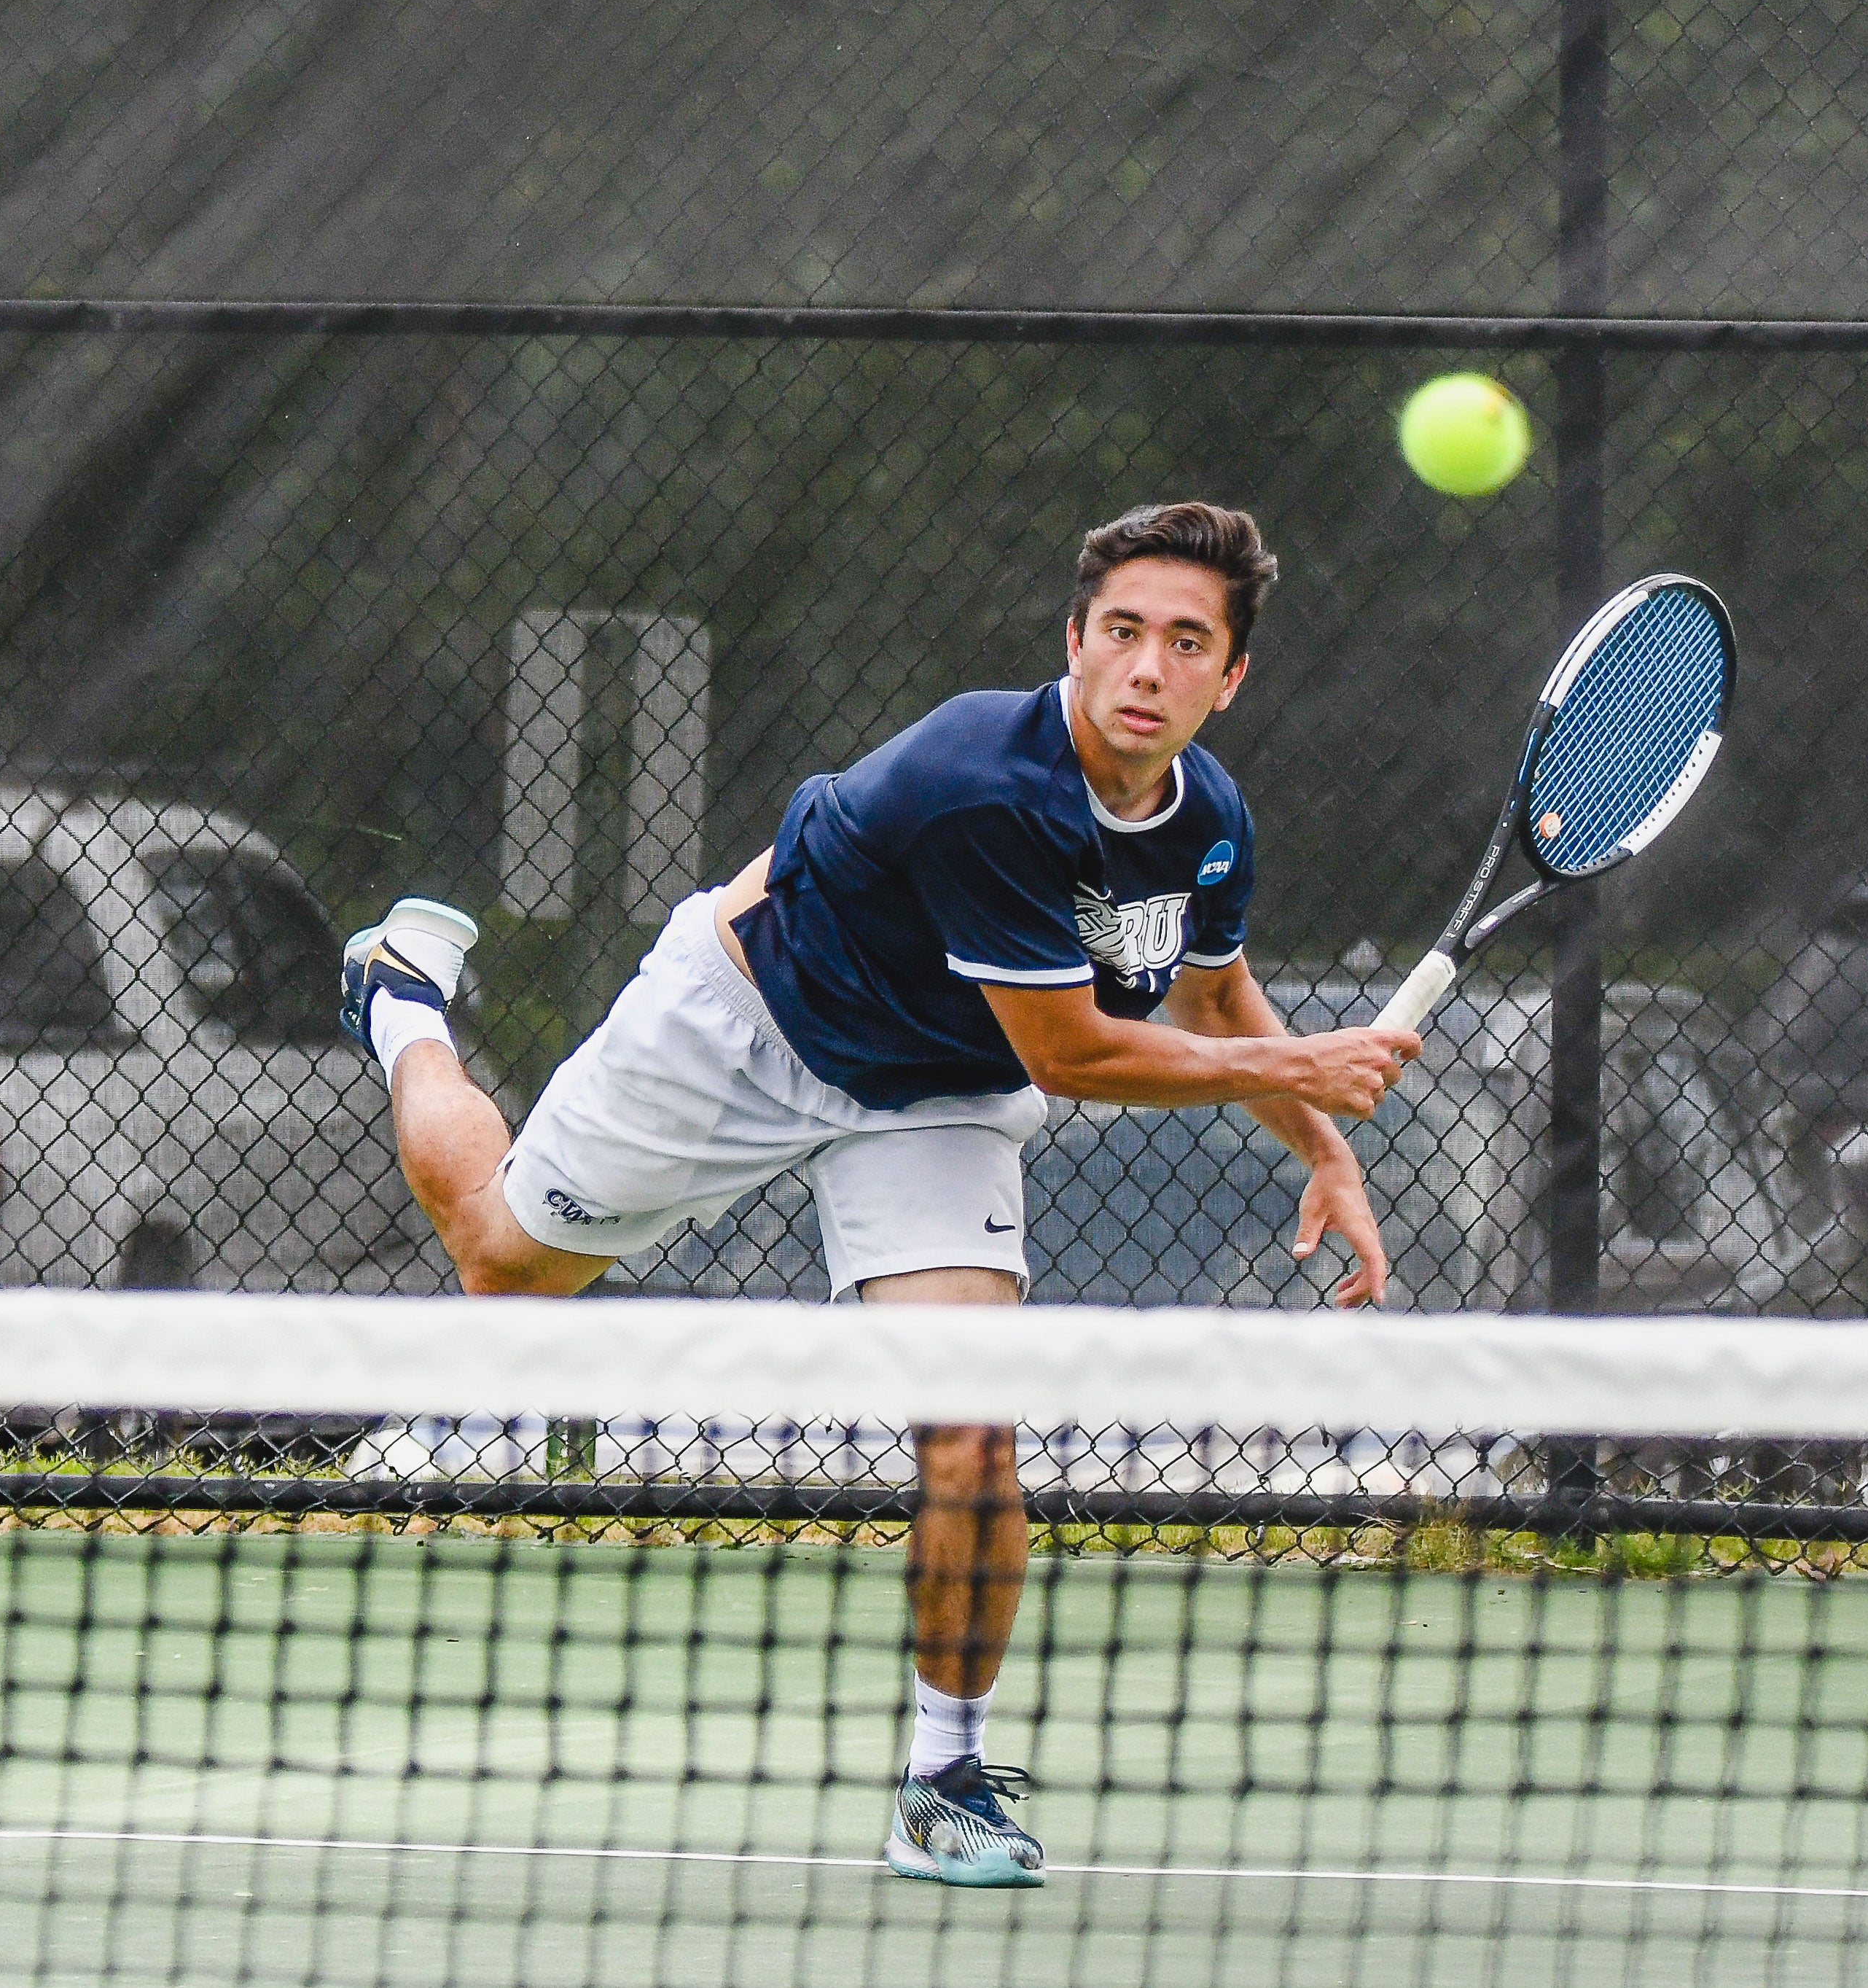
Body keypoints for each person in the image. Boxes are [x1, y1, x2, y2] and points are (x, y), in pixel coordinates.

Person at [337, 501, 1420, 1888]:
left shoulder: (1204, 820)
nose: (1149, 668)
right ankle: (405, 1004)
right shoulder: (987, 778)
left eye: (1187, 643)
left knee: (969, 1432)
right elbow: (1075, 1053)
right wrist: (1298, 1066)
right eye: (1125, 633)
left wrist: (1321, 1147)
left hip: (934, 1093)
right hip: (750, 1018)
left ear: (1231, 677)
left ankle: (942, 1780)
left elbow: (1210, 993)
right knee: (498, 1262)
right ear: (1075, 643)